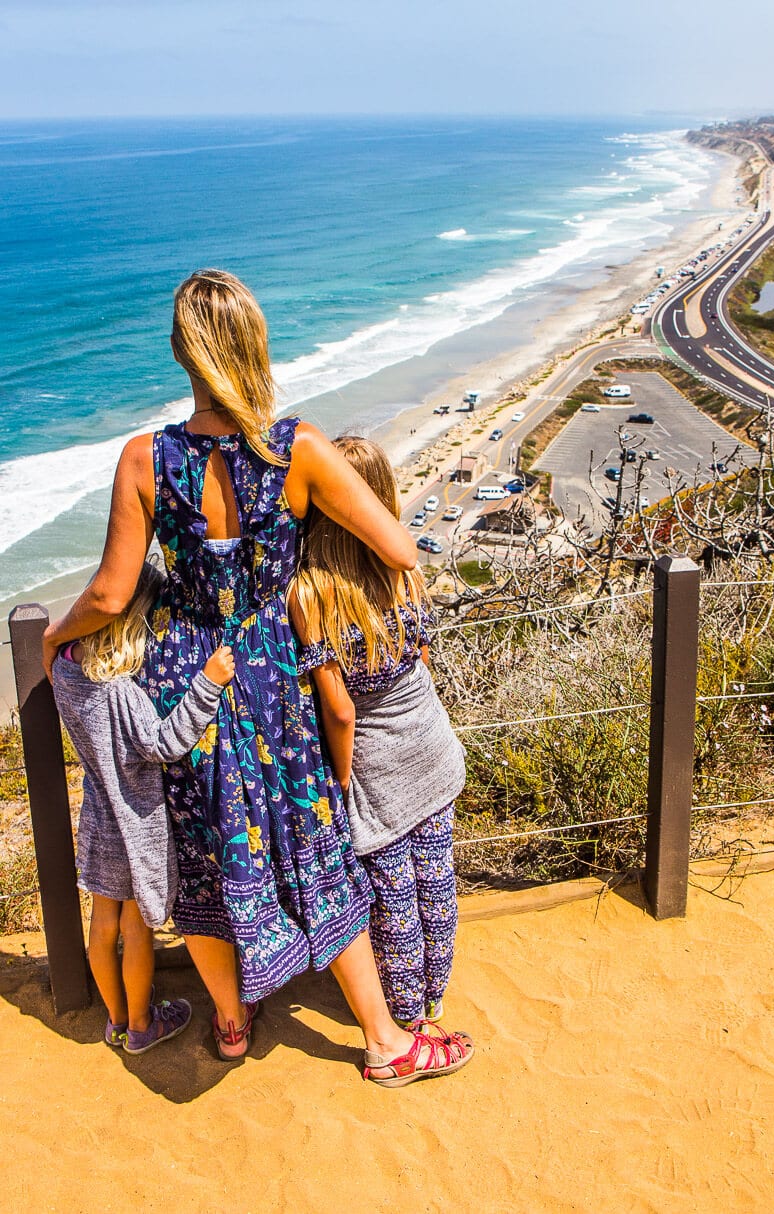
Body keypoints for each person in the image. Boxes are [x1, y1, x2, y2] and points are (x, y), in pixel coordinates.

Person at [43, 269, 472, 1083]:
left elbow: (108, 592)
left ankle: (232, 1021)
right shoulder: (297, 447)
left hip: (188, 681)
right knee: (315, 843)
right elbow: (400, 548)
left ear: (181, 351)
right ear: (255, 346)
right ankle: (385, 1042)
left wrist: (55, 639)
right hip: (276, 678)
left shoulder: (144, 458)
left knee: (207, 853)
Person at [289, 436, 466, 1031]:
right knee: (435, 878)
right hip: (429, 739)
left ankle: (406, 1011)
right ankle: (434, 994)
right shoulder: (403, 569)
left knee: (393, 896)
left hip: (378, 762)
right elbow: (417, 652)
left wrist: (340, 778)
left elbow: (339, 710)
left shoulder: (311, 592)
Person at [51, 561, 235, 1054]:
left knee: (102, 922)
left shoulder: (66, 668)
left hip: (96, 816)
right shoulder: (123, 693)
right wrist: (208, 683)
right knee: (134, 930)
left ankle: (113, 1019)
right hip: (133, 823)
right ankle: (140, 1025)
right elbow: (165, 742)